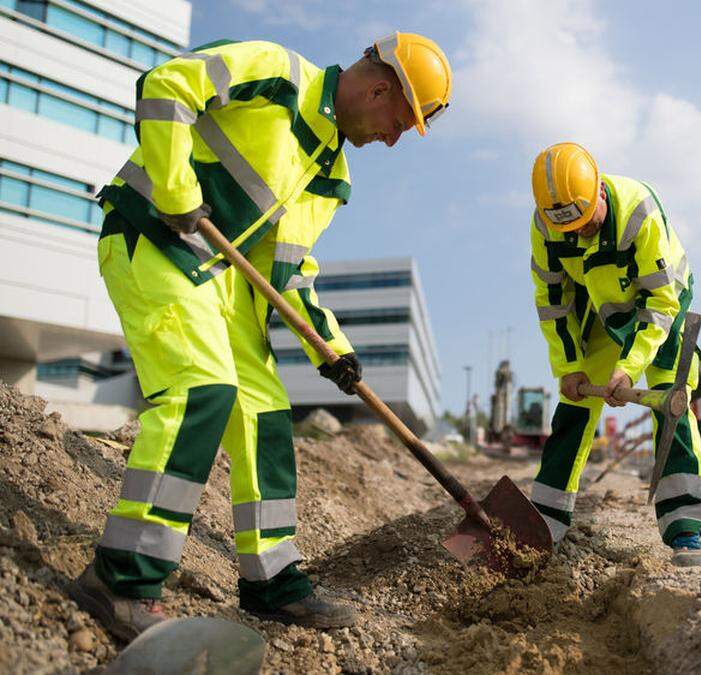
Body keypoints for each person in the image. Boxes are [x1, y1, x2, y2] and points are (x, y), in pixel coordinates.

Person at [68, 33, 452, 640]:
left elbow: (291, 270)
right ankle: (121, 580)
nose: (393, 138)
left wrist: (332, 348)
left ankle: (272, 583)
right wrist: (176, 191)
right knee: (201, 393)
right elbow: (165, 86)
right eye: (400, 122)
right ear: (380, 88)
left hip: (225, 285)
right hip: (156, 241)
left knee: (267, 416)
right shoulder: (276, 73)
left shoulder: (331, 173)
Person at [527, 142, 701, 567]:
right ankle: (543, 522)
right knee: (573, 408)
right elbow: (554, 303)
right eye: (567, 228)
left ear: (598, 191)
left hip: (662, 308)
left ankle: (687, 526)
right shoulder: (546, 226)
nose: (577, 233)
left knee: (672, 403)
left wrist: (629, 369)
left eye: (583, 221)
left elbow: (661, 301)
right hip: (600, 312)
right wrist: (570, 366)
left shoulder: (638, 210)